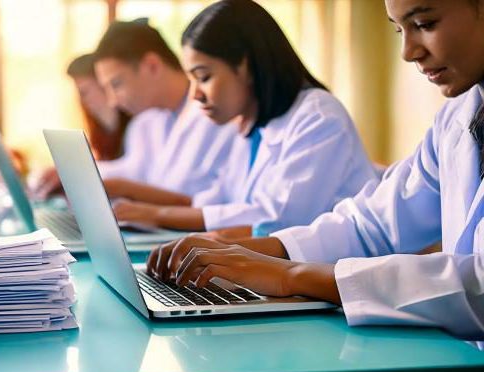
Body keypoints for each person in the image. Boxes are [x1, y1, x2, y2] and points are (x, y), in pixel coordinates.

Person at [153, 0, 484, 341]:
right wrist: (243, 254)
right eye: (399, 30)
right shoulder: (458, 116)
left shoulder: (317, 115)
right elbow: (371, 225)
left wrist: (290, 274)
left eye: (425, 24)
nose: (407, 52)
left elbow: (479, 286)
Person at [111, 0, 377, 237]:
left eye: (204, 77)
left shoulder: (318, 118)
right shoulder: (252, 124)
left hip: (329, 280)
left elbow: (276, 222)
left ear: (246, 65)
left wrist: (158, 215)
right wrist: (142, 211)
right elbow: (217, 202)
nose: (195, 95)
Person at [92, 19, 236, 205]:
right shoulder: (150, 121)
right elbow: (134, 170)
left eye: (116, 84)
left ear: (152, 66)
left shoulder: (217, 113)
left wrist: (129, 192)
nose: (112, 101)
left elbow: (215, 203)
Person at [33, 53, 130, 198]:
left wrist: (74, 171)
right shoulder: (101, 131)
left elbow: (131, 171)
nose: (83, 101)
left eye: (85, 92)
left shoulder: (139, 125)